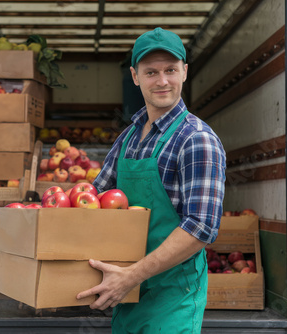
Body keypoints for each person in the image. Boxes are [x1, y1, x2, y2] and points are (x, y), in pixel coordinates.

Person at [76, 27, 226, 333]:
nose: (162, 81)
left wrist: (131, 276)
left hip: (171, 300)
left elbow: (201, 227)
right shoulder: (129, 137)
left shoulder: (197, 140)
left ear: (184, 72)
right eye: (151, 72)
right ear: (135, 76)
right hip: (125, 295)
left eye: (170, 70)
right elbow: (96, 194)